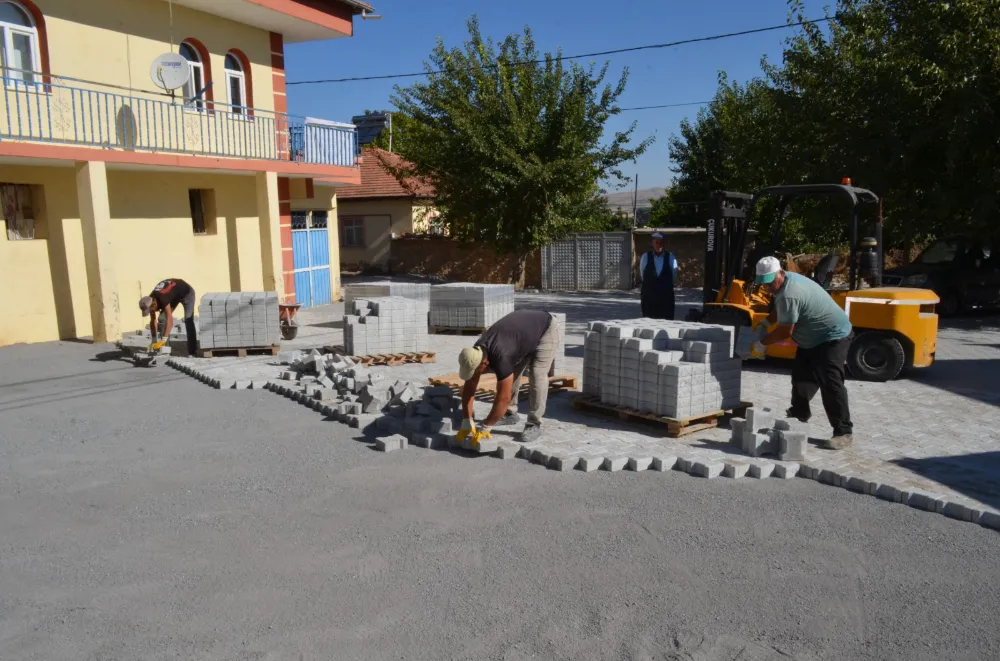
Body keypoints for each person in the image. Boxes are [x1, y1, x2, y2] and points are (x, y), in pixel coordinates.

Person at [750, 256, 854, 449]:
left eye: (771, 283)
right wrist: (767, 321)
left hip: (833, 336)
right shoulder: (785, 281)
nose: (768, 288)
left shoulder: (790, 292)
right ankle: (798, 418)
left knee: (830, 382)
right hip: (811, 340)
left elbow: (785, 330)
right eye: (764, 285)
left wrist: (762, 343)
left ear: (780, 273)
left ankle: (843, 432)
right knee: (801, 378)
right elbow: (783, 308)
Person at [456, 309, 563, 446]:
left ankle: (534, 423)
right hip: (521, 336)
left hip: (545, 329)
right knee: (513, 373)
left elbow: (503, 398)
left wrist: (486, 427)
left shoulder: (502, 357)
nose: (477, 374)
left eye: (477, 371)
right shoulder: (475, 353)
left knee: (537, 375)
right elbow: (469, 388)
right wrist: (467, 420)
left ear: (484, 362)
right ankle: (510, 414)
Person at [139, 278, 197, 356]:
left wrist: (163, 339)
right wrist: (154, 340)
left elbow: (170, 319)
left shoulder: (163, 298)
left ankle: (192, 351)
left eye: (151, 310)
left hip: (187, 293)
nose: (152, 312)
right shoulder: (150, 300)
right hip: (174, 295)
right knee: (162, 318)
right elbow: (153, 320)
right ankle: (165, 350)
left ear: (154, 304)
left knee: (188, 320)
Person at [639, 231, 678, 320]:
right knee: (648, 323)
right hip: (649, 298)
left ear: (665, 243)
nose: (659, 245)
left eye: (661, 242)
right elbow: (642, 275)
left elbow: (674, 276)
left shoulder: (671, 257)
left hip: (666, 298)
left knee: (666, 322)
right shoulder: (645, 257)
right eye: (657, 242)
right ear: (652, 243)